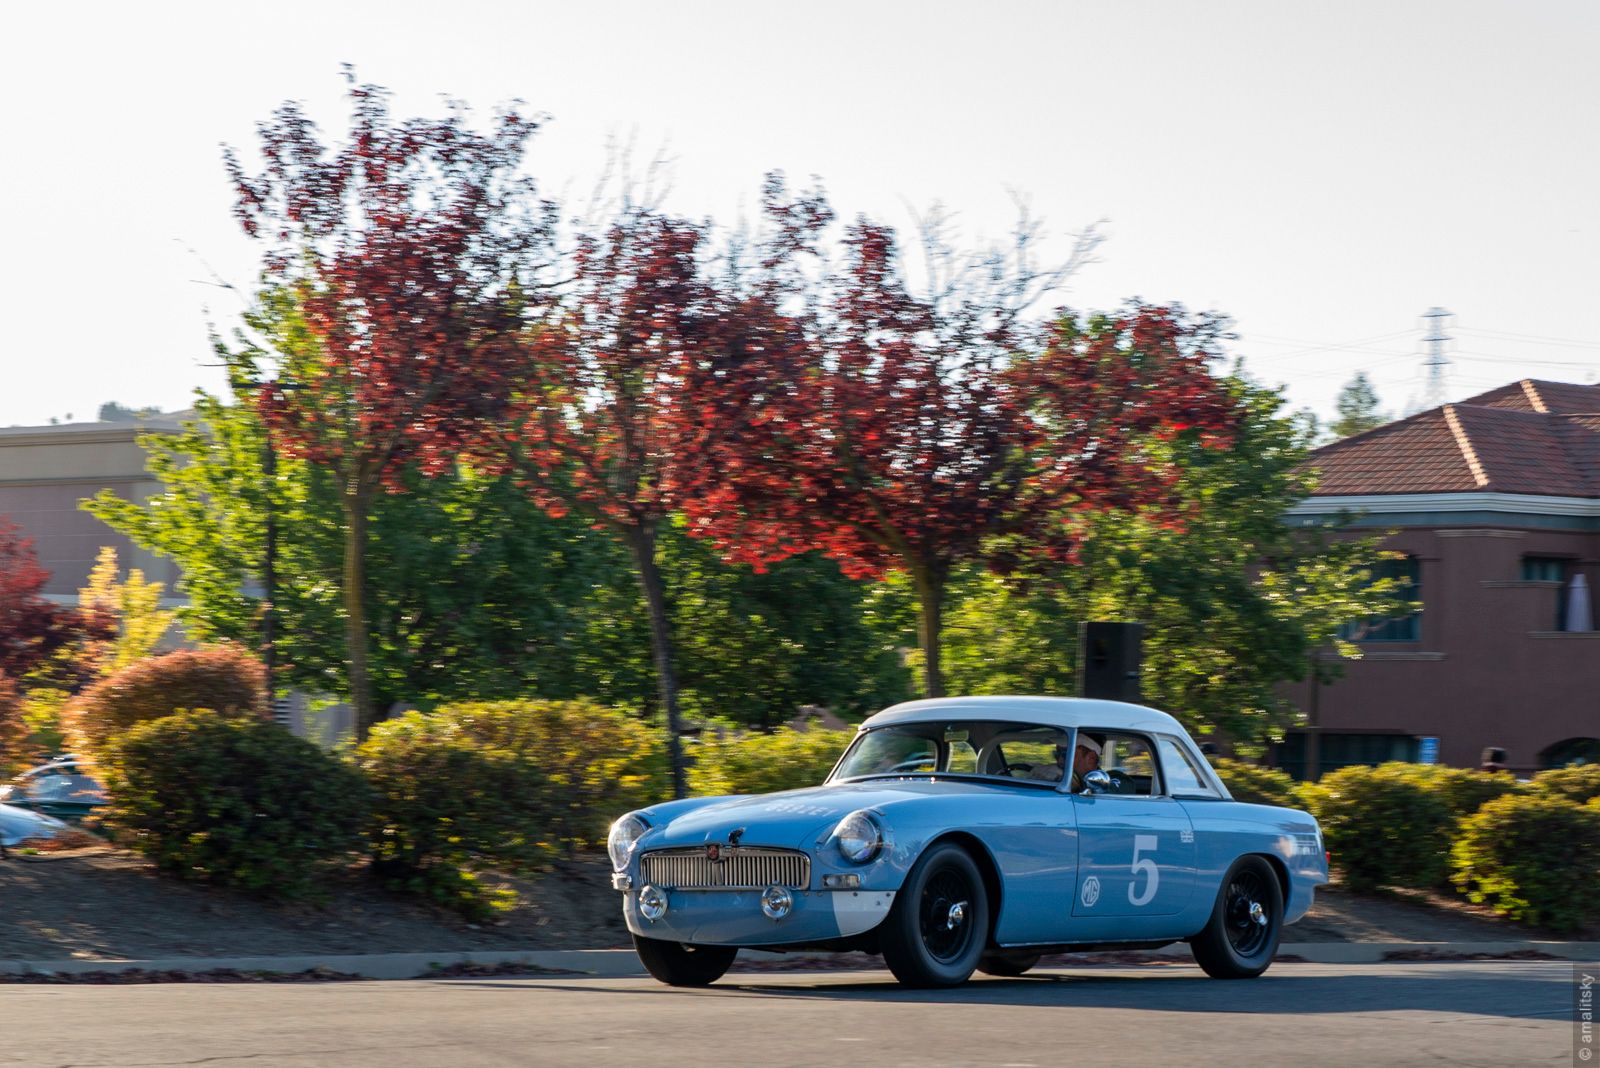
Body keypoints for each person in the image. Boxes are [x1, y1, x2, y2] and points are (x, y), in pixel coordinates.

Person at [1029, 735, 1102, 789]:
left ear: (1091, 758)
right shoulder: (1051, 771)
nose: (1059, 761)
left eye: (1066, 755)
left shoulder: (1104, 788)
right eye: (1056, 754)